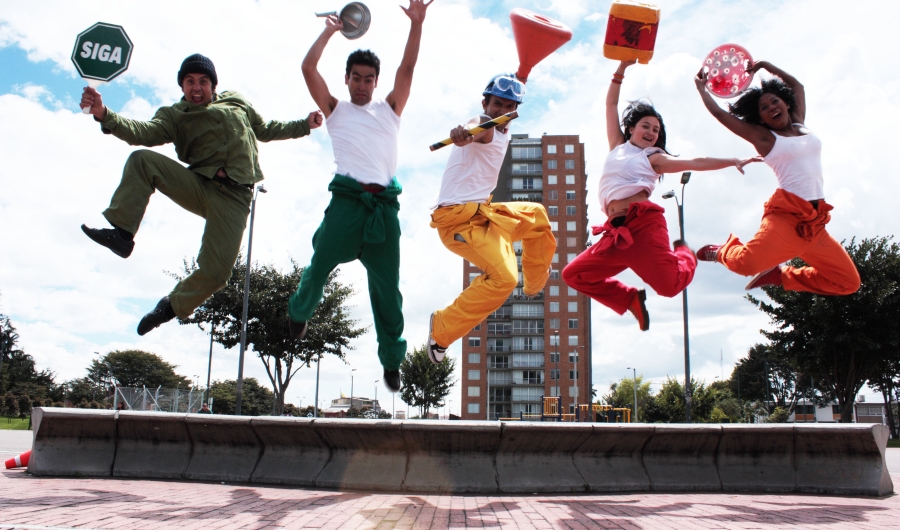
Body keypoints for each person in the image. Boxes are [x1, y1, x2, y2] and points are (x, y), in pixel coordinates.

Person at [80, 54, 323, 335]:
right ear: (182, 86)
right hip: (199, 186)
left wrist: (304, 125)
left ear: (213, 85)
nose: (196, 88)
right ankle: (122, 235)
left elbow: (265, 129)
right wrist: (103, 113)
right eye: (189, 82)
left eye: (203, 82)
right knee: (142, 159)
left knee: (218, 273)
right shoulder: (174, 115)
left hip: (235, 197)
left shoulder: (236, 101)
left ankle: (170, 305)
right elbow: (142, 132)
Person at [288, 0, 432, 393]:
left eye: (369, 79)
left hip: (383, 212)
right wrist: (331, 31)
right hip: (347, 205)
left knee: (389, 292)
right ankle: (299, 312)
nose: (363, 84)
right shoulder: (335, 110)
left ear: (375, 81)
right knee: (318, 266)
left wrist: (416, 23)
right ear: (347, 79)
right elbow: (307, 69)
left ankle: (391, 361)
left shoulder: (390, 110)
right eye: (357, 77)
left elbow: (407, 69)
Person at [562, 61, 761, 330]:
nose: (651, 133)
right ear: (631, 128)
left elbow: (696, 162)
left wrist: (732, 160)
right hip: (616, 235)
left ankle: (685, 254)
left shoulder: (653, 157)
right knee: (574, 274)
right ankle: (629, 298)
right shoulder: (617, 146)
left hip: (642, 227)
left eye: (656, 131)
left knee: (669, 288)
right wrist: (621, 68)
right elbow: (610, 105)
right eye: (646, 126)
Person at [693, 62, 860, 295]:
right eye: (764, 108)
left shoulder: (799, 123)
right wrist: (702, 89)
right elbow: (721, 115)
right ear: (760, 118)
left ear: (785, 102)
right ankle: (721, 251)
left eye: (774, 101)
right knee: (746, 265)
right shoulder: (765, 139)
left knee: (848, 283)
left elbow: (797, 86)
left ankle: (780, 275)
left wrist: (765, 66)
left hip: (814, 224)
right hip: (787, 218)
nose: (771, 107)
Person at [427, 74, 555, 363]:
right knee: (504, 278)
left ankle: (534, 284)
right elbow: (476, 130)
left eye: (509, 107)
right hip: (456, 220)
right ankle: (442, 329)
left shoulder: (504, 125)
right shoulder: (484, 123)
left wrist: (522, 75)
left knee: (536, 216)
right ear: (485, 103)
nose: (501, 112)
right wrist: (465, 134)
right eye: (496, 104)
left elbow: (516, 85)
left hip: (483, 213)